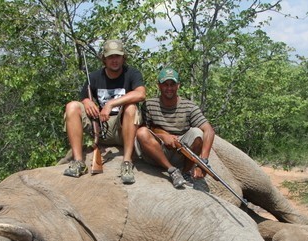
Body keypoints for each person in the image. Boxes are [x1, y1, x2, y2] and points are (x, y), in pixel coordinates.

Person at [63, 39, 145, 184]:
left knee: (131, 108)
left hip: (121, 128)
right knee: (71, 106)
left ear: (123, 57)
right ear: (104, 59)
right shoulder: (93, 77)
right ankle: (78, 162)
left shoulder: (132, 73)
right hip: (100, 127)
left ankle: (127, 163)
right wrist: (87, 102)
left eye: (117, 56)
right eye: (111, 57)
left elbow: (140, 94)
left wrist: (111, 104)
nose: (114, 60)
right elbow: (84, 98)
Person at [135, 67, 215, 189]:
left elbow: (208, 130)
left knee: (197, 132)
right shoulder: (149, 105)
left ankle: (185, 172)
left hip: (180, 152)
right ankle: (172, 170)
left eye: (172, 84)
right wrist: (163, 136)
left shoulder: (189, 106)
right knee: (141, 133)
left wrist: (203, 161)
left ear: (178, 85)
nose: (169, 88)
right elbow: (144, 128)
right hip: (157, 152)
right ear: (159, 86)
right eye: (165, 84)